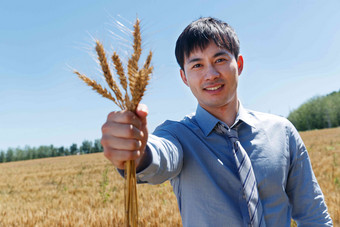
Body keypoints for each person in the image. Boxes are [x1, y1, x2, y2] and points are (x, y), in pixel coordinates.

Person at [101, 17, 333, 226]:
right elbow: (160, 155)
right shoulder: (178, 135)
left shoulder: (282, 132)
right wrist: (138, 152)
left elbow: (314, 215)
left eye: (220, 59)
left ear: (239, 64)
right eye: (197, 65)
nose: (210, 74)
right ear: (184, 77)